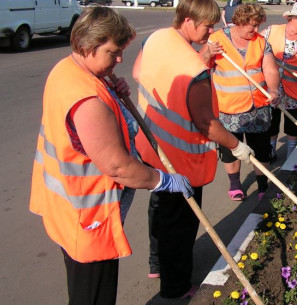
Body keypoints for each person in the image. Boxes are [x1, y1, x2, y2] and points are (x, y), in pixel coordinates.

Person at [29, 7, 193, 305]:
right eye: (113, 52)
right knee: (93, 295)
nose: (119, 60)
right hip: (88, 218)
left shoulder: (68, 70)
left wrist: (112, 91)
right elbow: (118, 166)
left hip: (67, 208)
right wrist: (164, 180)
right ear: (89, 45)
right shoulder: (87, 99)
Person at [132, 0, 254, 300]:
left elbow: (137, 73)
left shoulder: (157, 39)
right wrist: (237, 146)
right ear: (187, 20)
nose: (210, 31)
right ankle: (176, 287)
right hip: (180, 160)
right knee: (181, 225)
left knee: (160, 211)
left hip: (152, 147)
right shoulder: (195, 66)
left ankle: (157, 264)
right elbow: (206, 123)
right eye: (206, 25)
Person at [201, 3, 280, 202]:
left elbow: (270, 69)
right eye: (252, 26)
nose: (256, 30)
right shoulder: (216, 40)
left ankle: (263, 185)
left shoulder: (261, 41)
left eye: (258, 25)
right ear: (240, 22)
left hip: (259, 107)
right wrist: (209, 53)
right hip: (229, 108)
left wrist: (273, 90)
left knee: (261, 150)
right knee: (231, 150)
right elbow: (199, 65)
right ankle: (235, 184)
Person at [261, 2, 297, 161]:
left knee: (293, 123)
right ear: (292, 18)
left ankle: (291, 154)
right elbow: (255, 46)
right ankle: (271, 150)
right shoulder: (271, 31)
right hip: (271, 87)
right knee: (272, 120)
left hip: (294, 90)